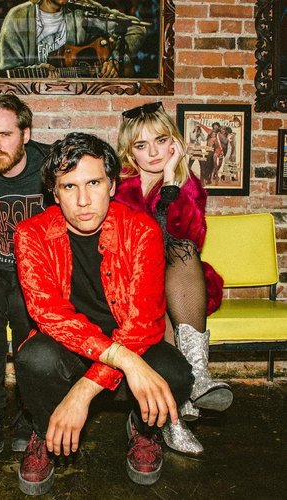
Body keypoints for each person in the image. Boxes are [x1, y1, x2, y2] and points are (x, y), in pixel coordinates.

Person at [14, 132, 194, 495]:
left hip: (130, 342)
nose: (83, 200)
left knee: (176, 373)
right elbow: (49, 314)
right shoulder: (31, 234)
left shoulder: (141, 231)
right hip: (70, 346)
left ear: (112, 185)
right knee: (35, 359)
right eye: (69, 186)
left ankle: (143, 429)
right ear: (54, 192)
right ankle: (46, 429)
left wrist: (82, 392)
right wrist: (123, 360)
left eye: (93, 183)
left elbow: (144, 324)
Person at [115, 101, 233, 455]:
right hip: (127, 282)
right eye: (141, 145)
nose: (153, 152)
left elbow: (182, 235)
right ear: (129, 150)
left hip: (177, 282)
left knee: (182, 250)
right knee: (154, 284)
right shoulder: (117, 186)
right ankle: (177, 410)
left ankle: (195, 377)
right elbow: (138, 242)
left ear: (174, 143)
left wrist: (172, 181)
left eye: (161, 140)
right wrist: (164, 185)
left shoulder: (188, 185)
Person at [0, 95, 52, 454]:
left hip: (36, 270)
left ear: (26, 134)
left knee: (24, 310)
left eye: (5, 135)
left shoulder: (50, 165)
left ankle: (28, 416)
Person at [0, 0, 147, 78]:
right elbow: (5, 75)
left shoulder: (82, 11)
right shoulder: (17, 18)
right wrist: (37, 72)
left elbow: (135, 27)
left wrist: (116, 61)